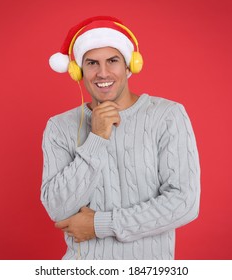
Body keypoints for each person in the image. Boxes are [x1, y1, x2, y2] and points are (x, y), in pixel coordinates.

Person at [41, 16, 200, 260]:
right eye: (92, 63)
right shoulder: (59, 126)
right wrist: (97, 137)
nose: (102, 73)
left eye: (112, 61)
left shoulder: (167, 115)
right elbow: (58, 208)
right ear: (78, 71)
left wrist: (99, 225)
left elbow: (184, 203)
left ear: (129, 65)